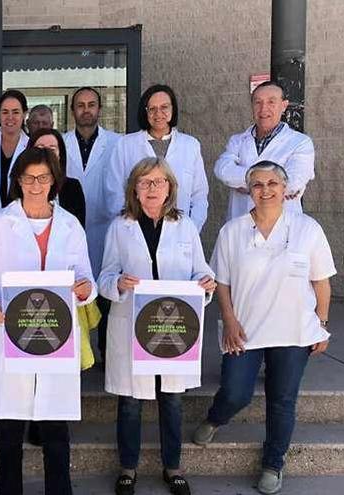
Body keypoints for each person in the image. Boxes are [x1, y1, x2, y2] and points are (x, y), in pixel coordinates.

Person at [193, 161, 335, 495]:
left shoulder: (308, 229)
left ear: (285, 189)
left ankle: (273, 464)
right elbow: (222, 283)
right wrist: (228, 319)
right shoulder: (233, 231)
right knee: (235, 392)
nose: (266, 189)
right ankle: (216, 417)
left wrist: (322, 324)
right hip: (244, 330)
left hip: (294, 332)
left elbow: (321, 283)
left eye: (273, 183)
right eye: (258, 184)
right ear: (248, 191)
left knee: (282, 400)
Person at [0, 147, 97, 495]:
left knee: (56, 433)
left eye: (43, 177)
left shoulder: (70, 225)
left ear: (54, 180)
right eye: (28, 178)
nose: (36, 185)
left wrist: (86, 289)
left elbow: (85, 276)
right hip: (11, 337)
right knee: (9, 433)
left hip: (55, 340)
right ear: (18, 181)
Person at [99, 157, 216, 495]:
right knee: (131, 403)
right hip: (132, 325)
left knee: (172, 400)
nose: (152, 188)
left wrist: (205, 282)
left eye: (158, 182)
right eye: (145, 181)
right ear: (134, 187)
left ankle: (173, 467)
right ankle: (128, 468)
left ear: (170, 188)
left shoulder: (186, 226)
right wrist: (118, 282)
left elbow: (200, 270)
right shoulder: (120, 226)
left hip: (174, 328)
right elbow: (104, 275)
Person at [62, 86, 123, 364]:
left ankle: (108, 353)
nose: (86, 110)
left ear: (99, 109)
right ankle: (80, 350)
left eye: (91, 104)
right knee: (78, 292)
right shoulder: (60, 142)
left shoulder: (116, 143)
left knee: (107, 293)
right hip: (70, 230)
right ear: (72, 110)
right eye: (80, 105)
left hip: (107, 227)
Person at [105, 84, 209, 233]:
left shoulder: (190, 145)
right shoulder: (126, 144)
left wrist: (190, 229)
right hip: (136, 231)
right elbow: (114, 192)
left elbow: (199, 195)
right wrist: (130, 226)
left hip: (180, 231)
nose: (158, 113)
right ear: (145, 112)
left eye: (164, 107)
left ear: (173, 109)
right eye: (152, 109)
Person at [214, 80, 315, 222]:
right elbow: (222, 170)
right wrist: (275, 183)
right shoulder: (237, 140)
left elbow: (293, 182)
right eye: (258, 102)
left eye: (271, 102)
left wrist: (245, 184)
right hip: (240, 223)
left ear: (284, 106)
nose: (263, 109)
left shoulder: (300, 142)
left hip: (283, 226)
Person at [25, 128, 86, 228]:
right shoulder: (21, 185)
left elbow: (78, 229)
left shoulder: (73, 188)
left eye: (52, 149)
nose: (46, 154)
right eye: (40, 148)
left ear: (60, 155)